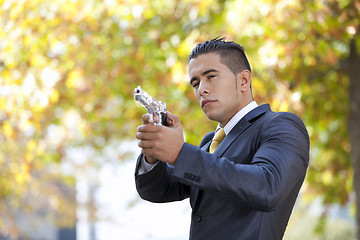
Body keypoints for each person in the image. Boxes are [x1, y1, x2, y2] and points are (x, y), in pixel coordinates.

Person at [135, 37, 309, 240]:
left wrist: (180, 154)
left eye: (211, 76)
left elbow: (268, 187)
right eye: (195, 82)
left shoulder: (280, 124)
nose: (201, 89)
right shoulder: (209, 143)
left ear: (243, 80)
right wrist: (153, 154)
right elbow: (157, 191)